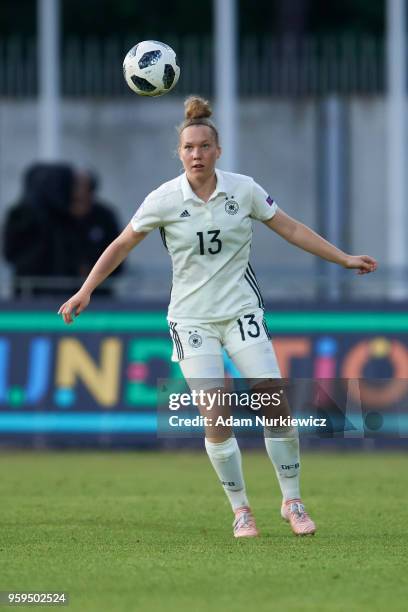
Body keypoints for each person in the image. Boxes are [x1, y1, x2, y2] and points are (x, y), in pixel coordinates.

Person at [58, 96, 377, 538]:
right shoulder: (164, 199)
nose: (196, 154)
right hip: (191, 321)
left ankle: (292, 500)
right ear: (180, 153)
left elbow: (291, 228)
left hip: (240, 312)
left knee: (274, 404)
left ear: (217, 151)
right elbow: (121, 244)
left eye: (204, 146)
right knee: (216, 413)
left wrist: (342, 258)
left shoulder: (243, 189)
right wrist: (85, 290)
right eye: (188, 147)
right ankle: (241, 509)